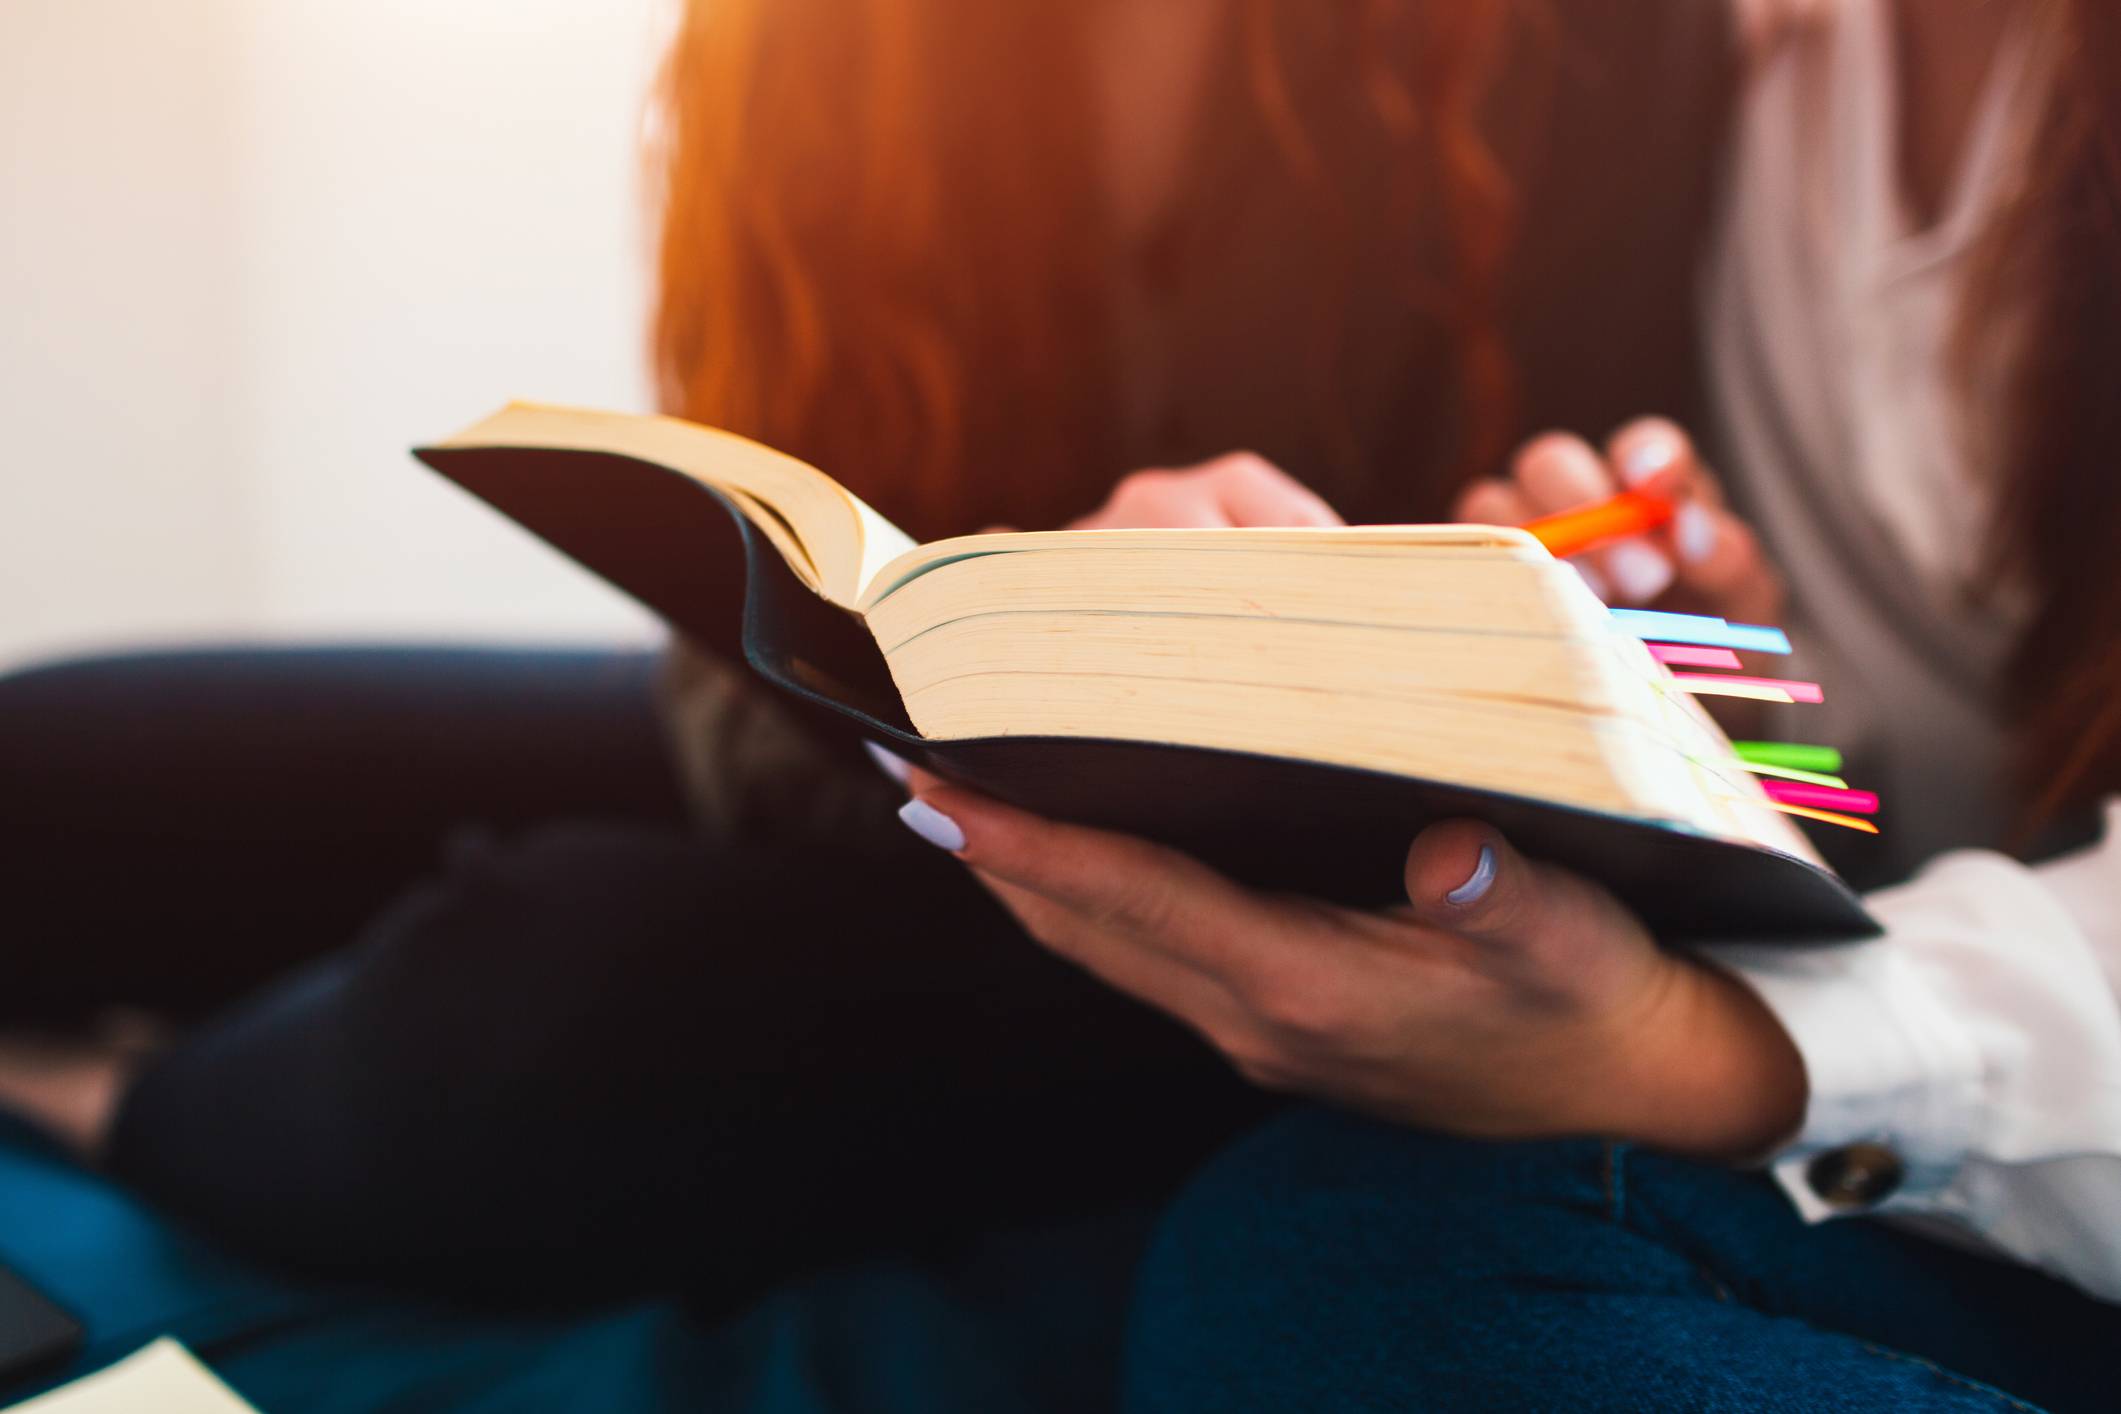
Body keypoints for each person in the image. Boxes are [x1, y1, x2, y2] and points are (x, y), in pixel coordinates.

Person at [0, 0, 1731, 1379]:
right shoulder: (827, 39)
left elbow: (1587, 647)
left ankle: (92, 1098)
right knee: (46, 773)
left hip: (1232, 875)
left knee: (539, 1014)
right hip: (854, 756)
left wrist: (1275, 610)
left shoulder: (1569, 41)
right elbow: (773, 590)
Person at [885, 1, 2121, 1409]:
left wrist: (1694, 1047)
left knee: (1316, 1265)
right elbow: (1875, 792)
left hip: (1956, 1127)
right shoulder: (1764, 78)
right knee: (1286, 1242)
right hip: (1910, 1100)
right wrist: (1722, 696)